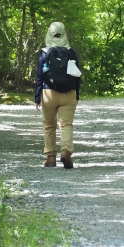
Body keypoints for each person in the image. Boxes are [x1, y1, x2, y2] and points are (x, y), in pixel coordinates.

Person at [35, 22, 81, 169]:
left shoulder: (43, 52)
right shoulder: (71, 52)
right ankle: (66, 152)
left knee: (49, 125)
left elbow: (39, 77)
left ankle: (50, 158)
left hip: (48, 93)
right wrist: (77, 95)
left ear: (49, 32)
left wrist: (37, 98)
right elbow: (77, 75)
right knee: (66, 125)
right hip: (69, 93)